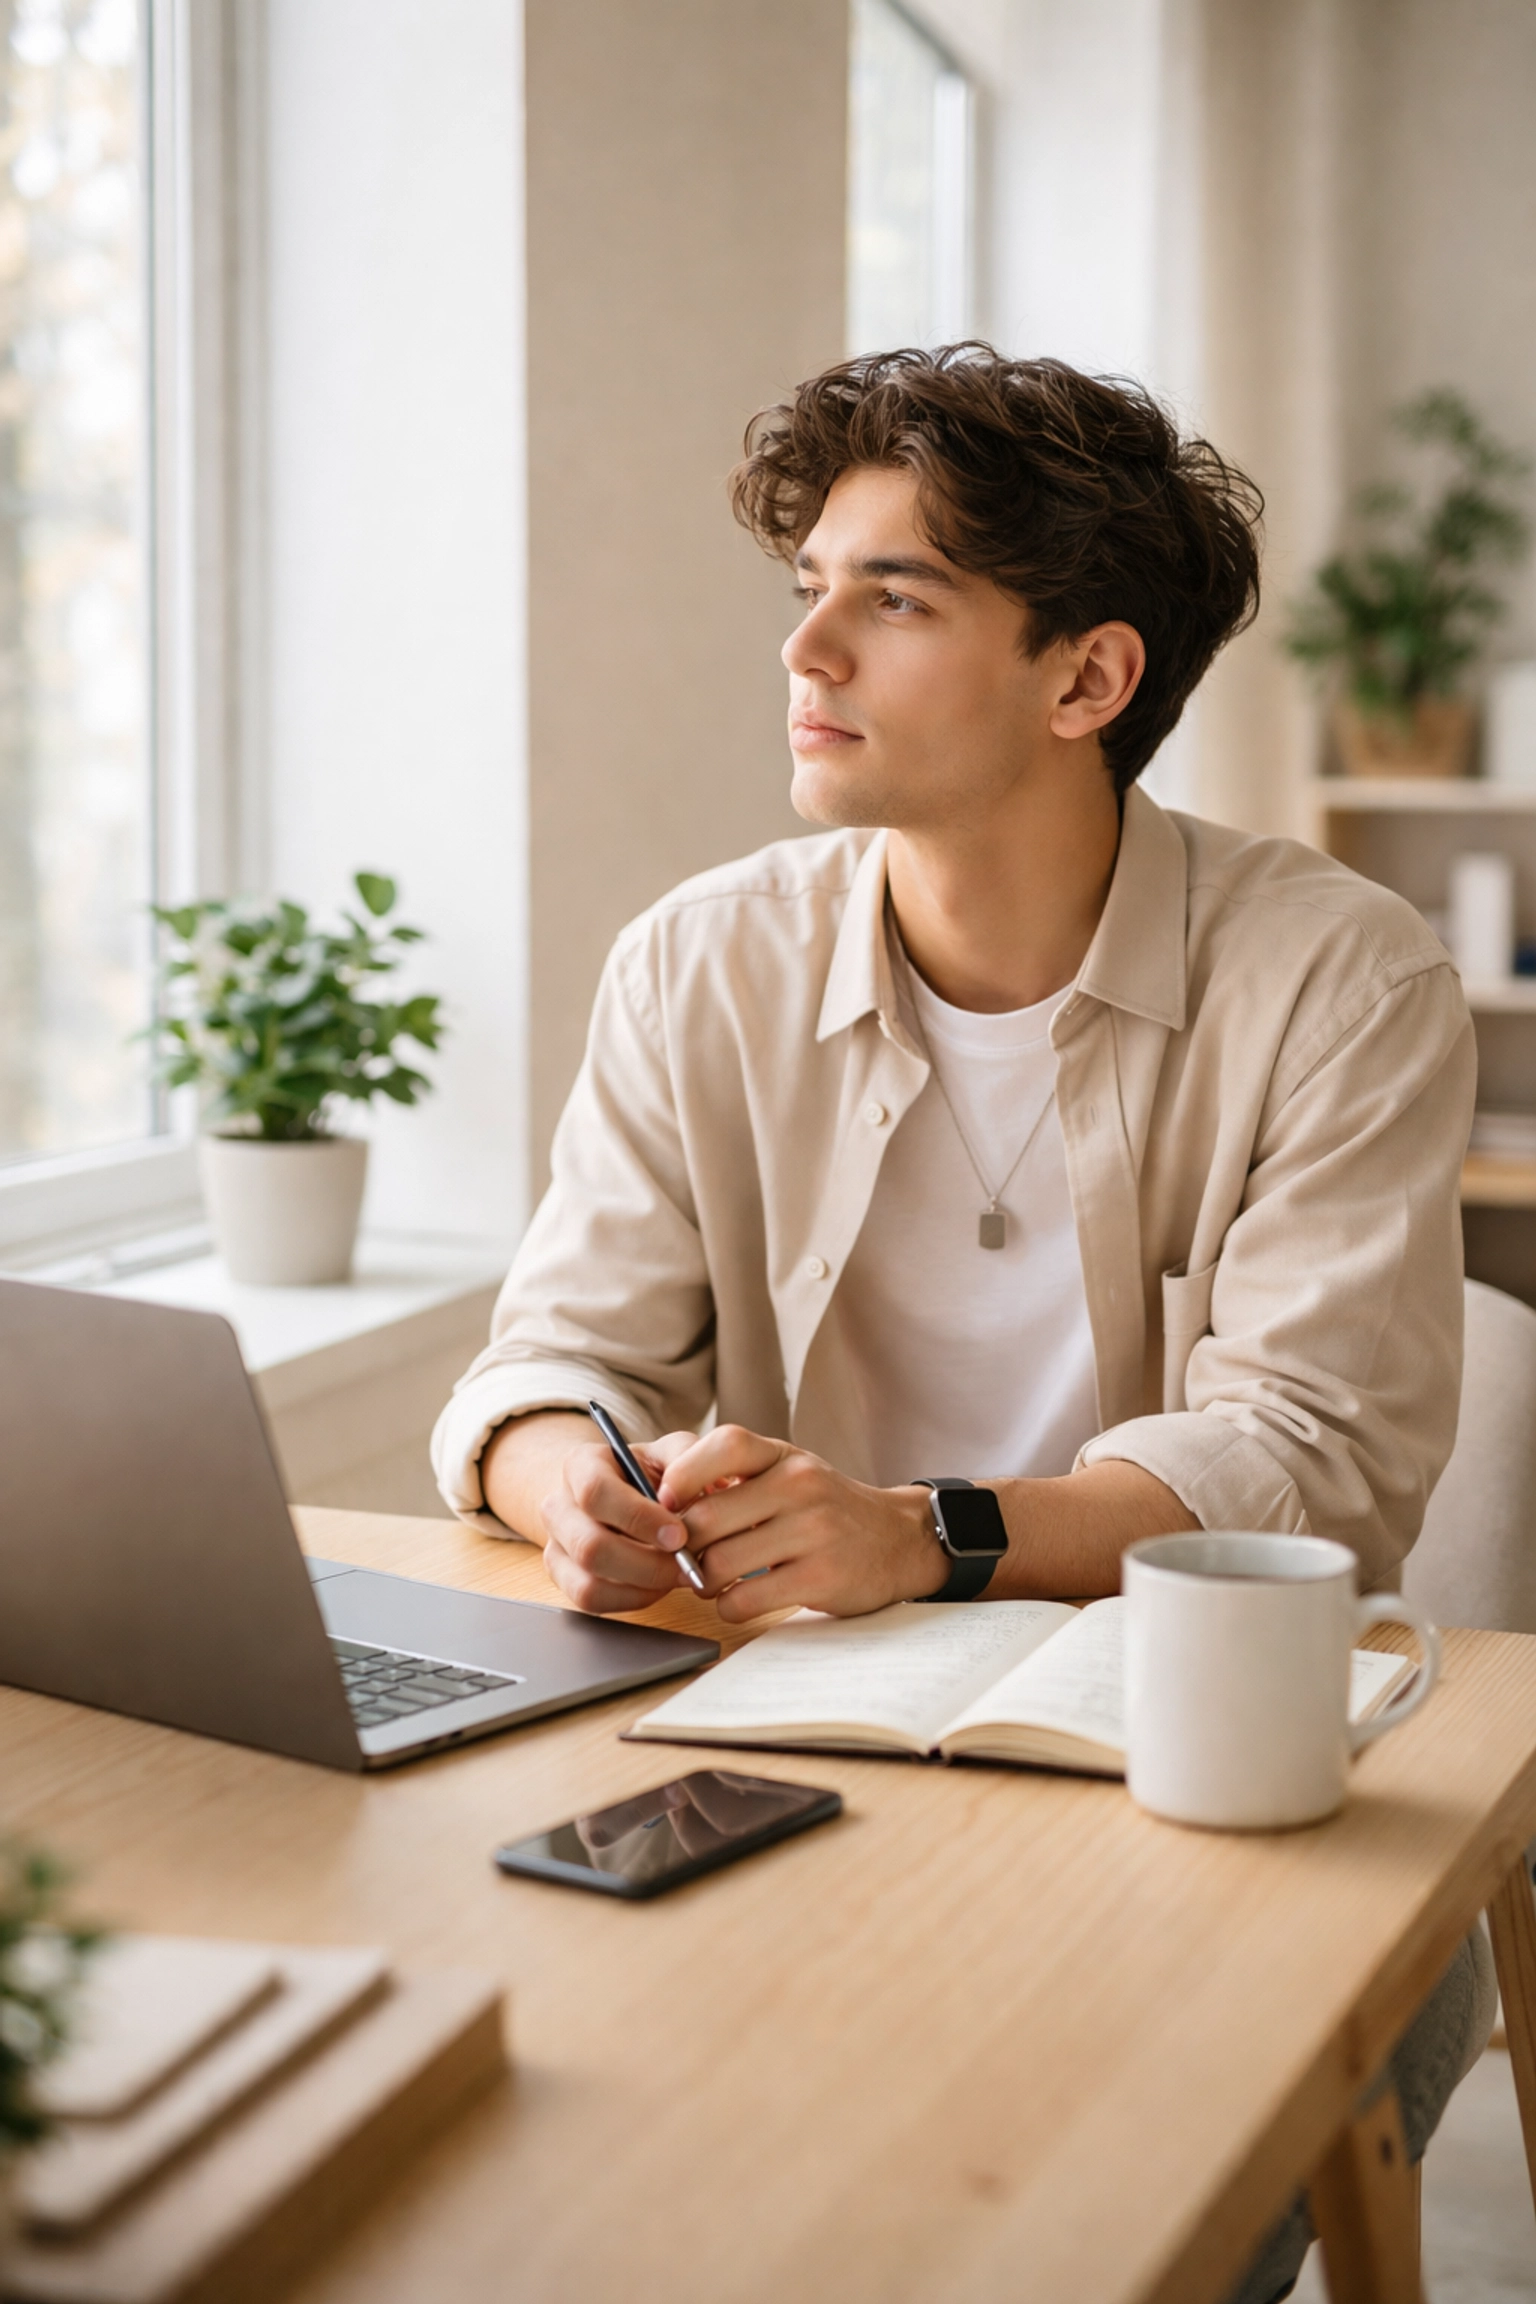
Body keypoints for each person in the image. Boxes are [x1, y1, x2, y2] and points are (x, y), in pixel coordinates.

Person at [432, 347, 1493, 2302]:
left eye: (892, 598)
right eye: (808, 589)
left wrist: (926, 1531)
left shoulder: (1340, 980)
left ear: (1087, 680)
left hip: (1184, 1788)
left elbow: (1309, 1469)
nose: (807, 646)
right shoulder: (703, 959)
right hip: (778, 1750)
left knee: (1060, 2233)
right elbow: (547, 1355)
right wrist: (574, 1478)